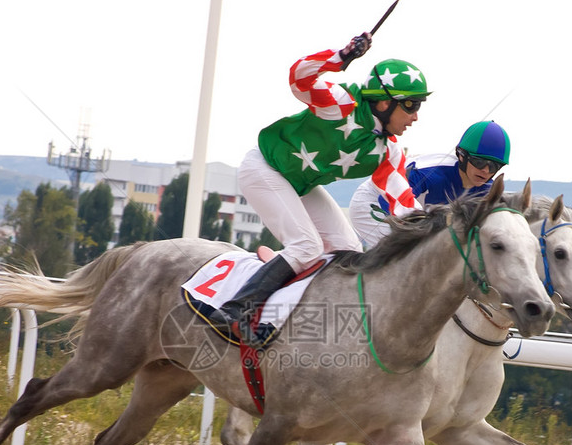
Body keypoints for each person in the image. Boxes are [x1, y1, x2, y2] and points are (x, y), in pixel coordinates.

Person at [209, 32, 429, 344]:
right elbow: (300, 76)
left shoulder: (388, 151)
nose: (415, 116)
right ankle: (235, 310)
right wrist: (342, 56)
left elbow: (404, 205)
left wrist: (435, 231)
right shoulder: (341, 104)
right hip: (264, 168)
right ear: (382, 102)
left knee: (349, 253)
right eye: (410, 105)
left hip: (299, 184)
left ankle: (305, 317)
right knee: (307, 246)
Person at [349, 120, 510, 246]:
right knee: (408, 257)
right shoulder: (430, 173)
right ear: (462, 156)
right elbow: (391, 205)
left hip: (411, 215)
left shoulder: (487, 191)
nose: (486, 171)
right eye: (479, 162)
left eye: (494, 166)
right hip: (376, 201)